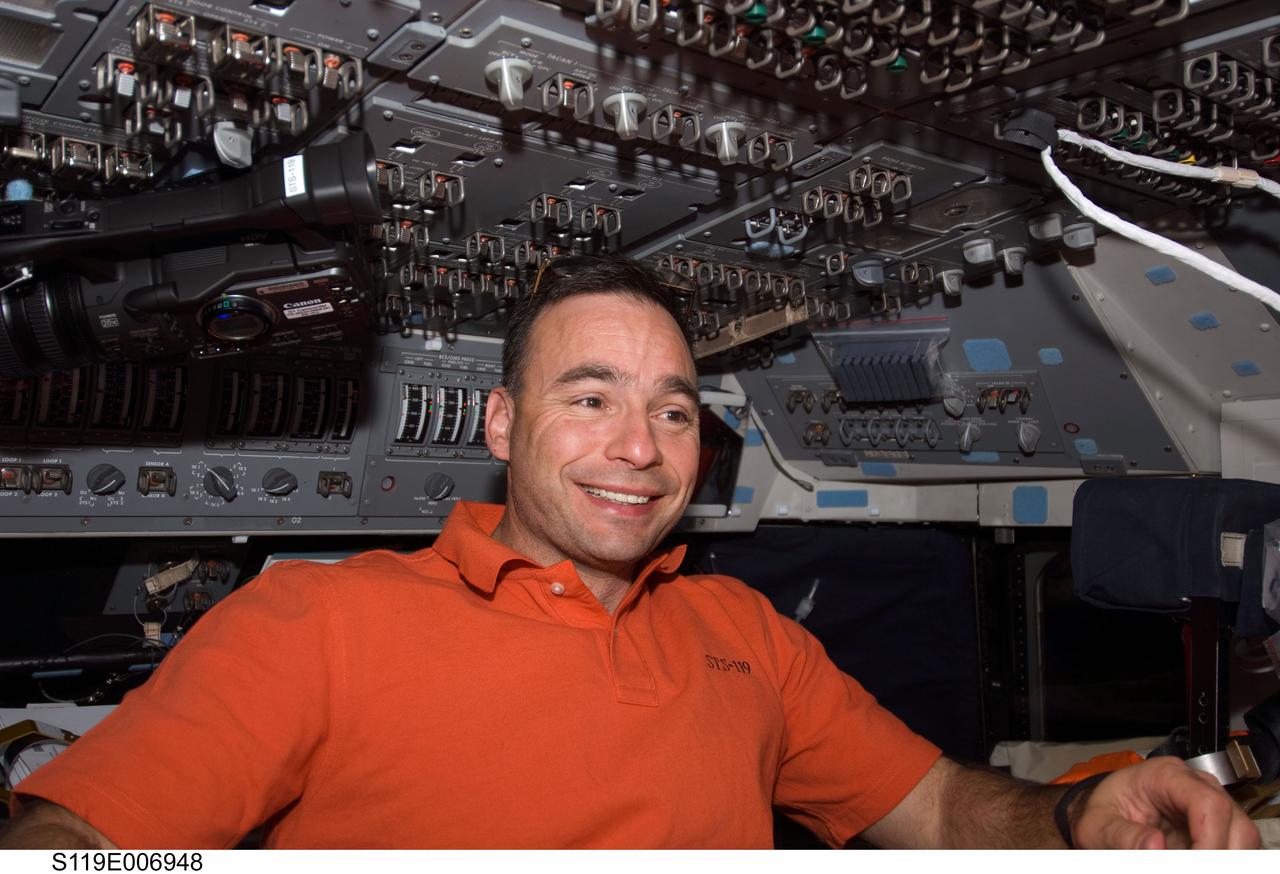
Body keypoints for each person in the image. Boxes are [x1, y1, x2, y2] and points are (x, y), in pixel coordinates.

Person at [0, 255, 1260, 849]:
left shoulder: (744, 636)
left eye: (671, 410)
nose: (638, 448)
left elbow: (930, 803)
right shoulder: (316, 624)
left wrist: (1073, 813)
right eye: (589, 396)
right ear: (502, 425)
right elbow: (73, 839)